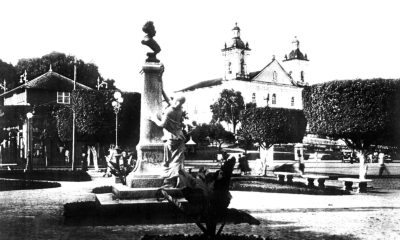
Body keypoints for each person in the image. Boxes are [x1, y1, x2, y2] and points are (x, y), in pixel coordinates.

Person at [150, 96, 186, 188]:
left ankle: (171, 181)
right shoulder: (180, 110)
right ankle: (177, 180)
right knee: (177, 160)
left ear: (176, 101)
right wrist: (162, 90)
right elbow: (170, 101)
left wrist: (153, 118)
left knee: (171, 160)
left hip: (171, 138)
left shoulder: (169, 111)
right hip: (179, 137)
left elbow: (162, 124)